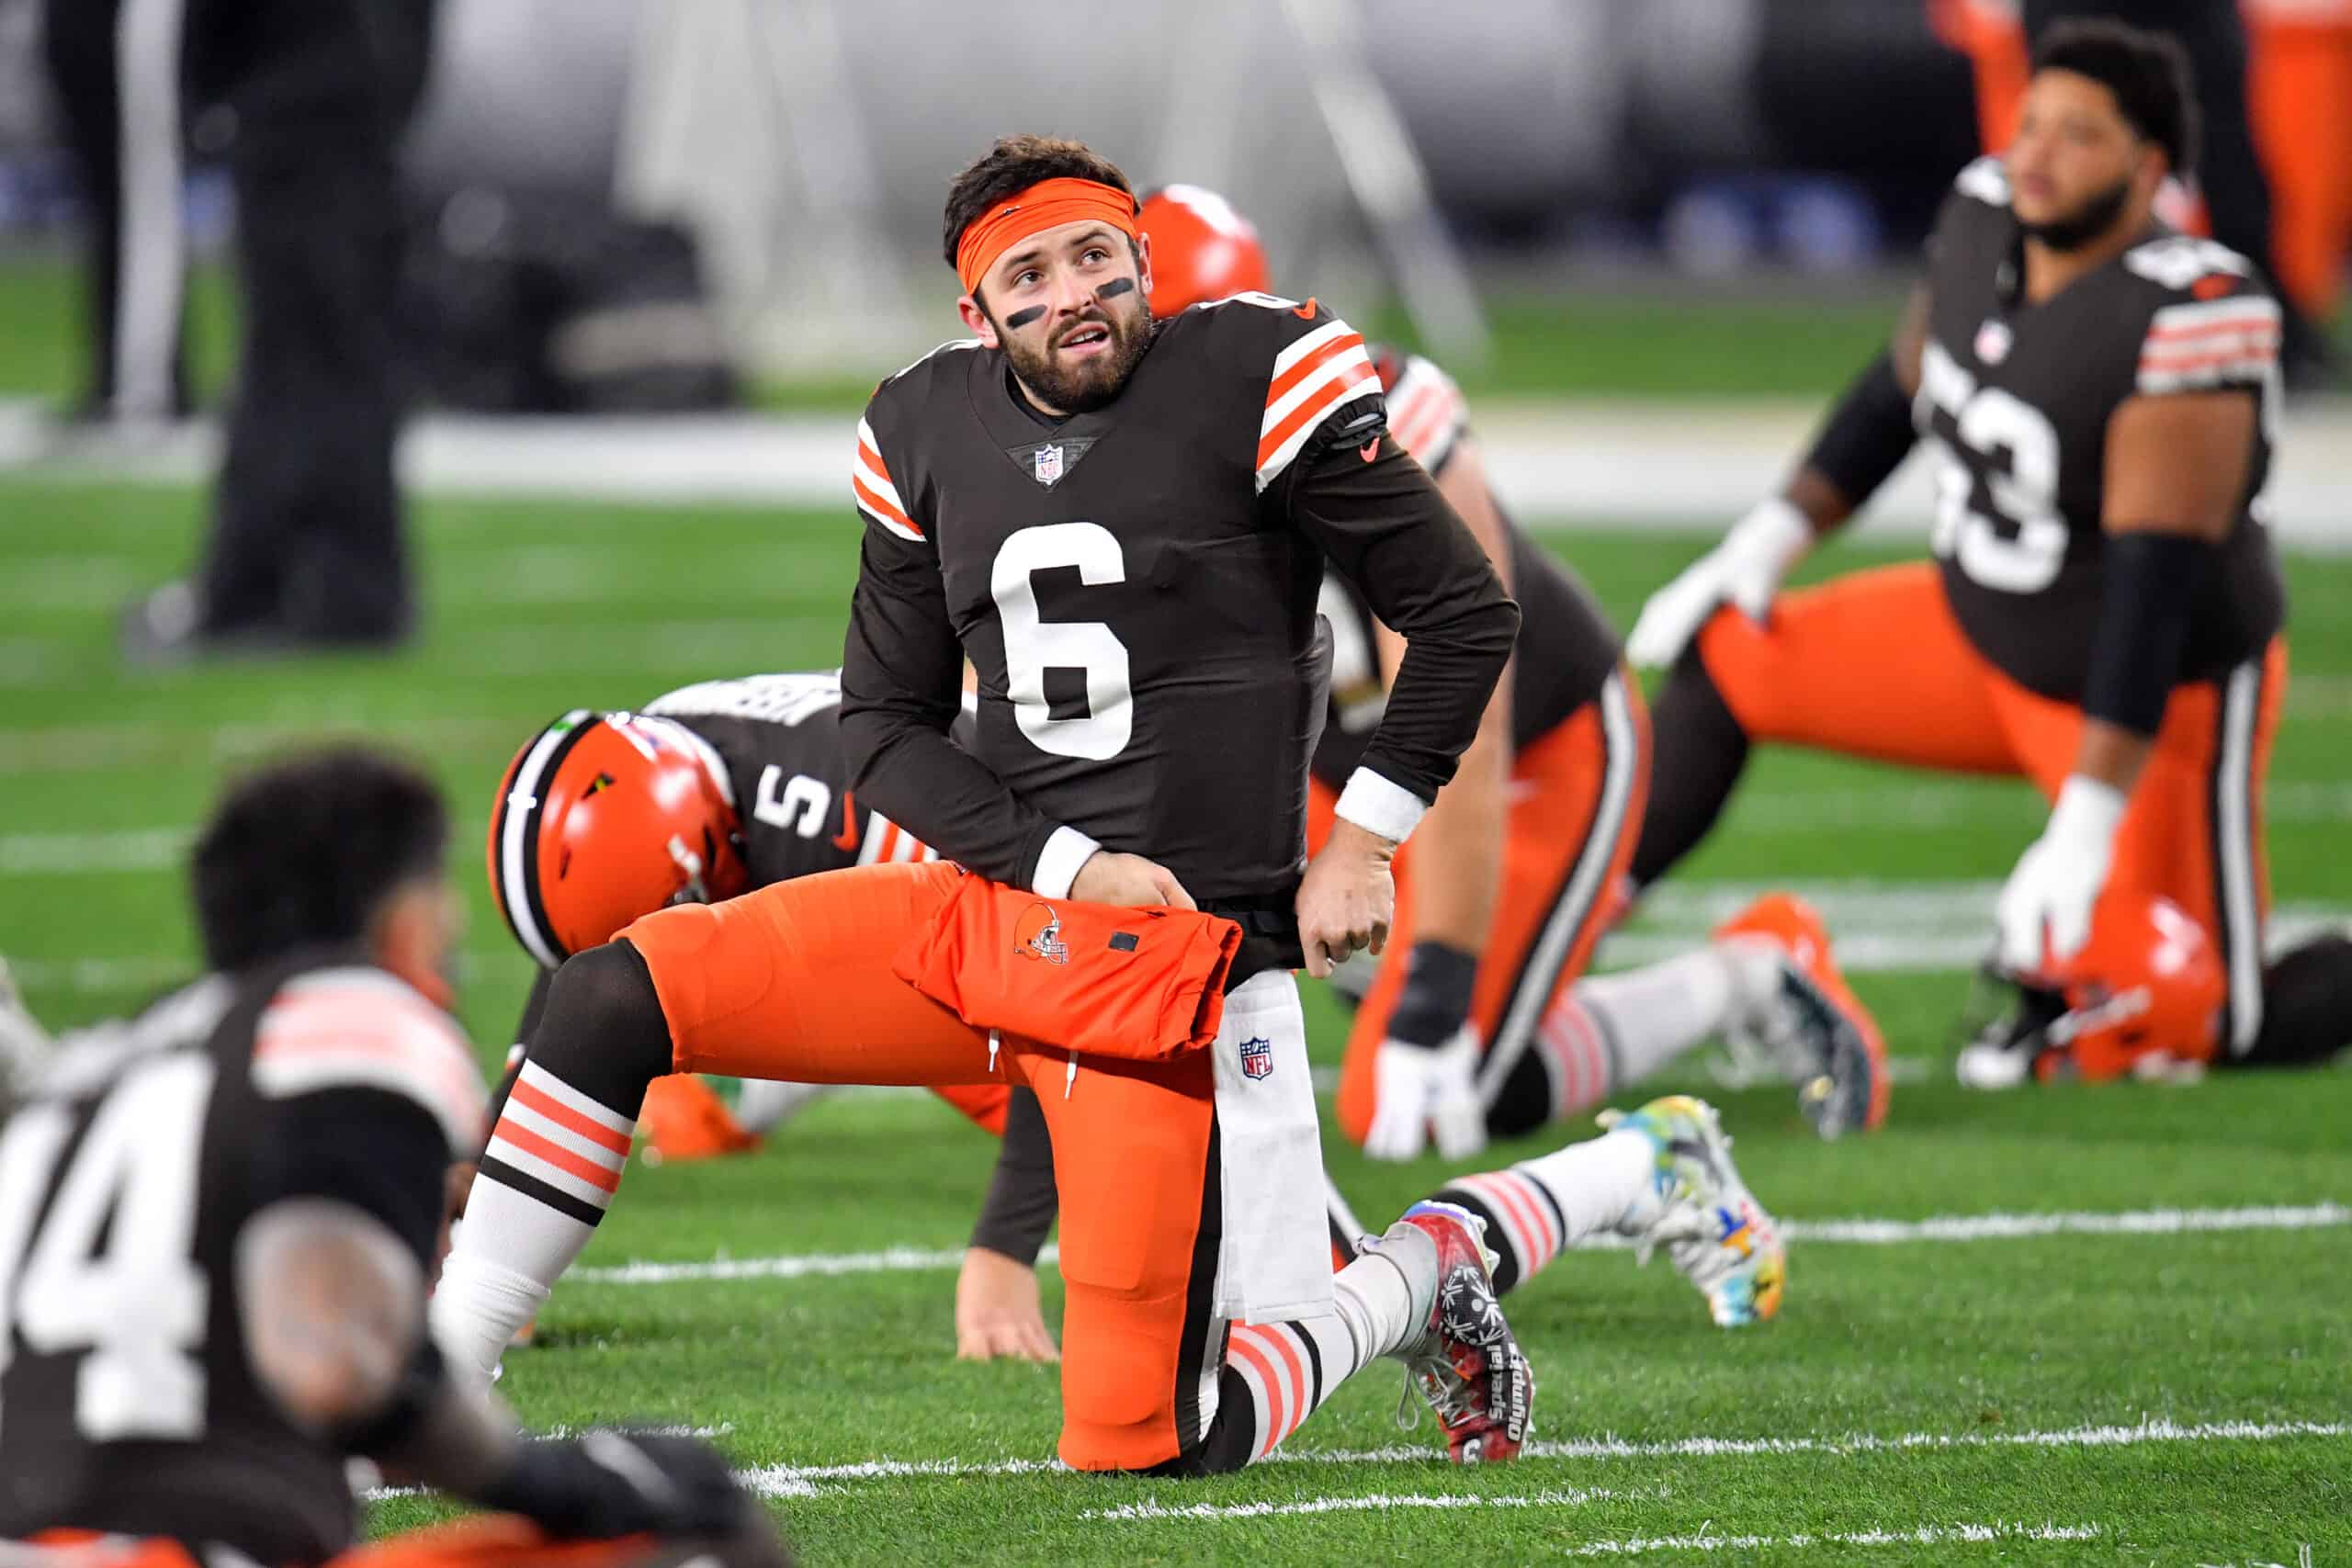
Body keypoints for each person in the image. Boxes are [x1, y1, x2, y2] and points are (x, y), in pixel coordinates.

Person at [435, 132, 1544, 1474]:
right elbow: (885, 727)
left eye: (1096, 256)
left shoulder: (1259, 370)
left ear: (1141, 256)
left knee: (1152, 1444)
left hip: (1171, 977)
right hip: (992, 916)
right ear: (976, 311)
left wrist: (1364, 840)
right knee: (608, 996)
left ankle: (1418, 1274)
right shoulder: (920, 425)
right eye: (1030, 273)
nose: (1074, 292)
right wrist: (1067, 865)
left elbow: (1464, 608)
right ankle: (440, 1382)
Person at [1625, 20, 2352, 1084]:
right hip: (1978, 633)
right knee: (1731, 657)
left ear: (2150, 168)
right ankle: (1565, 908)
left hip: (2147, 707)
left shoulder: (2190, 309)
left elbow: (2152, 590)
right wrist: (1769, 539)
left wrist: (2089, 824)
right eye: (2031, 126)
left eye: (2079, 137)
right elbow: (1902, 384)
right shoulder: (1982, 213)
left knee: (2183, 1009)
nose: (2038, 157)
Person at [1139, 184, 1888, 1158]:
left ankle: (1747, 974)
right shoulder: (1071, 449)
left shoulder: (1377, 423)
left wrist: (1439, 986)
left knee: (1425, 1098)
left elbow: (1464, 706)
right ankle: (1499, 979)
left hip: (1525, 757)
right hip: (1332, 775)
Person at [0, 749, 786, 1568]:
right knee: (694, 1525)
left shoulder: (98, 1070)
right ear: (403, 916)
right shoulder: (352, 1018)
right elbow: (334, 1364)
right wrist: (544, 1477)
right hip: (158, 1553)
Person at [482, 676, 1012, 1163]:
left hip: (1024, 843)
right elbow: (571, 989)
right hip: (922, 788)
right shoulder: (656, 764)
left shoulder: (836, 814)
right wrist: (484, 1151)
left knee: (1046, 1087)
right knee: (678, 1092)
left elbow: (964, 961)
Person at [119, 0, 433, 659]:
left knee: (301, 368)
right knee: (325, 363)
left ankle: (293, 588)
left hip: (296, 117)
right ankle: (305, 584)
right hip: (344, 116)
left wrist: (210, 93)